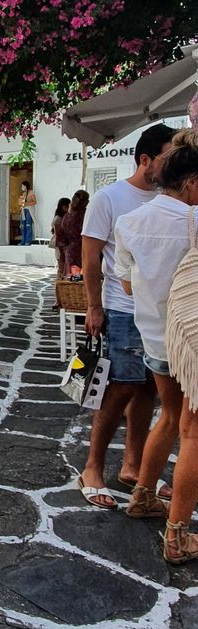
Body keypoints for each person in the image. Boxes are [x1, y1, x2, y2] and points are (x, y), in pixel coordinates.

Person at [78, 122, 175, 509]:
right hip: (121, 310)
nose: (174, 166)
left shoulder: (172, 198)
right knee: (116, 391)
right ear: (146, 159)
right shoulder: (110, 198)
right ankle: (92, 468)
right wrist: (94, 306)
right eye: (167, 158)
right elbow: (90, 257)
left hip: (159, 314)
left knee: (150, 392)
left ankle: (133, 465)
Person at [114, 130, 198, 526]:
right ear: (191, 181)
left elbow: (128, 285)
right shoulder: (193, 221)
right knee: (192, 431)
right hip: (192, 344)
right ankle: (178, 531)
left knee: (168, 418)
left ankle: (143, 495)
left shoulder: (129, 222)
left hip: (155, 340)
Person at [59, 188, 89, 275]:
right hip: (85, 250)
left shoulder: (66, 217)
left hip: (70, 251)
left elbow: (61, 238)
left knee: (73, 278)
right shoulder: (87, 216)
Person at [51, 197, 70, 276]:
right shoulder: (58, 219)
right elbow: (58, 233)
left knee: (64, 263)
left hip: (62, 243)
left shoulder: (63, 217)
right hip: (59, 243)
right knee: (61, 264)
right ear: (63, 207)